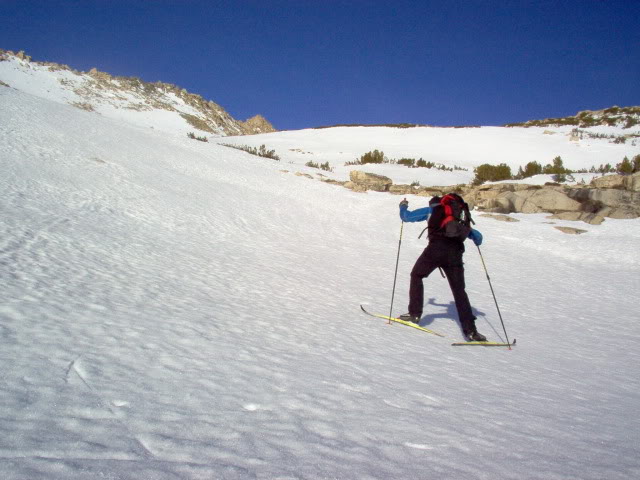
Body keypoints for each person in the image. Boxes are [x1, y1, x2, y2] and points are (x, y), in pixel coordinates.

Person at [398, 195, 487, 342]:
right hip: (455, 254)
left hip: (435, 250)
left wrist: (403, 205)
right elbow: (478, 237)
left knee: (417, 275)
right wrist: (475, 240)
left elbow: (406, 217)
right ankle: (471, 331)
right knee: (459, 291)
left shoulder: (431, 210)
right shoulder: (457, 217)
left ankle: (414, 314)